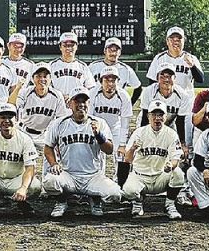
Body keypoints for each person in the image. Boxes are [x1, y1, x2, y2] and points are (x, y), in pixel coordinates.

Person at [43, 87, 121, 217]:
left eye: (84, 101)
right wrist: (54, 164)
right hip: (69, 175)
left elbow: (109, 150)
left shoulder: (99, 123)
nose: (81, 105)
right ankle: (62, 201)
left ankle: (94, 199)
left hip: (93, 176)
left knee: (115, 194)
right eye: (77, 101)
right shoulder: (59, 123)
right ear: (70, 104)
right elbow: (48, 148)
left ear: (89, 103)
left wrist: (98, 135)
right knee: (49, 181)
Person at [139, 62, 194, 206]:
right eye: (162, 75)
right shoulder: (149, 91)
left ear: (175, 78)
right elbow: (145, 116)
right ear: (157, 78)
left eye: (169, 75)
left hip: (173, 123)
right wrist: (144, 138)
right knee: (145, 153)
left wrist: (182, 144)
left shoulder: (182, 95)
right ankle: (141, 190)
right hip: (149, 121)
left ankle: (182, 191)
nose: (166, 79)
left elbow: (181, 120)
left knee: (182, 155)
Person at [145, 27, 204, 156]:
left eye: (179, 38)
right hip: (164, 103)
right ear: (167, 41)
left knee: (186, 140)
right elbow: (151, 82)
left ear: (184, 41)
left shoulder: (190, 58)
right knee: (160, 137)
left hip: (186, 103)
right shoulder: (159, 58)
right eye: (172, 38)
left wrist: (192, 66)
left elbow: (201, 79)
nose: (175, 41)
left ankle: (185, 166)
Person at [123, 100, 185, 219]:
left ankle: (170, 205)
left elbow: (176, 158)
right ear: (148, 116)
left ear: (165, 116)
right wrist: (132, 149)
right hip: (140, 176)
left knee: (178, 174)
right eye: (154, 115)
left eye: (160, 115)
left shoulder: (171, 134)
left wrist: (170, 166)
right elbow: (127, 160)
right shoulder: (139, 133)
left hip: (160, 177)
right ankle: (137, 202)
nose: (157, 118)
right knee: (128, 191)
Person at [9, 63, 69, 159]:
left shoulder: (57, 95)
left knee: (56, 158)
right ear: (33, 79)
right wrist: (18, 88)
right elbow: (11, 105)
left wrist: (57, 140)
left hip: (44, 135)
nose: (42, 79)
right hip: (25, 132)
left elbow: (61, 120)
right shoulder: (26, 92)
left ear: (50, 79)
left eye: (45, 76)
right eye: (38, 76)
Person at [89, 66, 133, 187]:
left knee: (121, 156)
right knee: (96, 156)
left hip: (115, 129)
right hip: (98, 129)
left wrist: (123, 144)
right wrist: (96, 133)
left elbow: (125, 122)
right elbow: (89, 118)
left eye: (113, 80)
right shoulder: (92, 94)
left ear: (118, 81)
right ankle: (97, 183)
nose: (110, 83)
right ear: (100, 81)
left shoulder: (123, 96)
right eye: (106, 80)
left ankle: (120, 185)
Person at [88, 37, 142, 104]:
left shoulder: (126, 69)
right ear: (105, 51)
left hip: (116, 107)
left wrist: (129, 104)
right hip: (96, 106)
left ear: (120, 52)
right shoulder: (93, 66)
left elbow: (138, 88)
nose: (113, 53)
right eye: (110, 50)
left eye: (116, 50)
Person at [47, 32, 96, 98]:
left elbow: (91, 88)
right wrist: (59, 96)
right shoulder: (51, 65)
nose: (68, 48)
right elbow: (46, 87)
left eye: (72, 45)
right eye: (65, 45)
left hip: (77, 104)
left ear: (76, 47)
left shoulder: (83, 66)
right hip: (56, 103)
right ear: (60, 47)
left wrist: (74, 96)